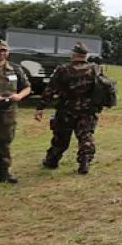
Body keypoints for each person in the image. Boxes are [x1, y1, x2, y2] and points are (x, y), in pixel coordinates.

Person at [35, 42, 100, 175]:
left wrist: (41, 106)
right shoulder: (95, 69)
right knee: (86, 136)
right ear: (86, 55)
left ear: (73, 55)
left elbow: (50, 89)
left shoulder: (63, 69)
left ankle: (52, 161)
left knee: (61, 137)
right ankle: (84, 162)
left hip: (66, 110)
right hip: (87, 110)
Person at [0, 39, 31, 184]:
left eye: (3, 50)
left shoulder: (15, 69)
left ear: (8, 52)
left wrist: (19, 96)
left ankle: (3, 173)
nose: (0, 53)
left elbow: (27, 87)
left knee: (4, 142)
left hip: (7, 111)